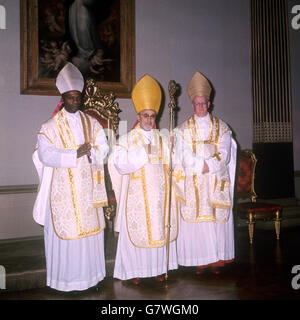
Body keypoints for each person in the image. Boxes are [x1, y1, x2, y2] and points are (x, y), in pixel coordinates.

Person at [32, 62, 109, 292]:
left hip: (88, 192)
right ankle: (65, 284)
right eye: (70, 98)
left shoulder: (92, 123)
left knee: (89, 239)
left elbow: (104, 149)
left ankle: (92, 279)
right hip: (63, 194)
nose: (75, 102)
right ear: (62, 97)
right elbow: (46, 155)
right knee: (68, 238)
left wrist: (92, 152)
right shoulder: (50, 127)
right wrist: (74, 154)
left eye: (78, 98)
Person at [108, 74, 183, 284]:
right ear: (138, 116)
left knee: (159, 230)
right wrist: (143, 151)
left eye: (152, 116)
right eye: (145, 115)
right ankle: (136, 271)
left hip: (159, 196)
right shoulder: (127, 139)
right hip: (137, 198)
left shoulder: (164, 138)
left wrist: (174, 151)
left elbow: (174, 165)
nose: (149, 120)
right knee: (139, 233)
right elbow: (119, 165)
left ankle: (159, 268)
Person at [174, 70, 237, 275]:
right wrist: (202, 167)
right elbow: (183, 155)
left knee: (214, 218)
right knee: (198, 219)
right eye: (196, 103)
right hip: (194, 181)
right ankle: (199, 259)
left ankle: (217, 258)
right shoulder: (182, 130)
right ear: (192, 104)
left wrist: (209, 166)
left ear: (209, 104)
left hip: (215, 180)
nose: (200, 107)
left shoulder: (223, 127)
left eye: (203, 103)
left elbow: (225, 152)